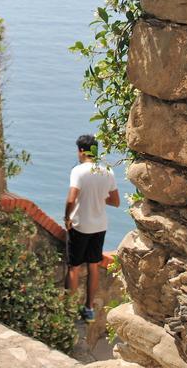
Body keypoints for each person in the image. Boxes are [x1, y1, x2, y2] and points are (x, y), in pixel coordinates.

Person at [63, 133, 120, 322]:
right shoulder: (107, 171)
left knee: (74, 267)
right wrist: (97, 196)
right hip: (99, 226)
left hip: (80, 225)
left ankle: (69, 309)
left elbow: (71, 198)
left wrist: (66, 217)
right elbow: (115, 201)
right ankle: (88, 309)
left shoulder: (78, 171)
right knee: (94, 265)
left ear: (80, 151)